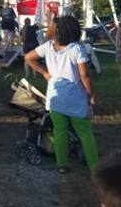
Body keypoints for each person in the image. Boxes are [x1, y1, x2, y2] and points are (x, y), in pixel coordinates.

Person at [24, 14, 99, 173]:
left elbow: (29, 57)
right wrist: (90, 94)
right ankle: (95, 166)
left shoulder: (48, 47)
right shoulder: (76, 49)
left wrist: (44, 73)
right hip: (75, 97)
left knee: (60, 131)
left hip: (55, 97)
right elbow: (84, 75)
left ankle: (62, 165)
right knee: (85, 132)